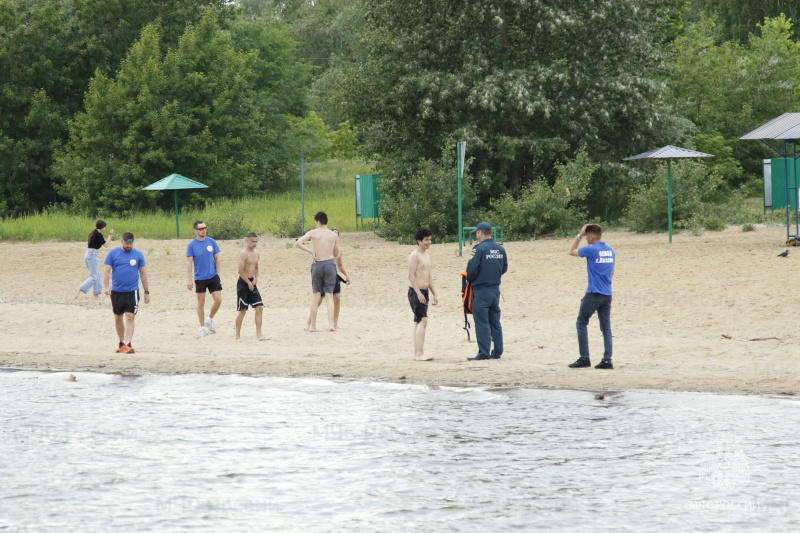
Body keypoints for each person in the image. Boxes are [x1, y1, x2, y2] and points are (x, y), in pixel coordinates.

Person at [568, 223, 615, 369]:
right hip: (607, 293)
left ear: (591, 236)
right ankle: (607, 360)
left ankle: (584, 358)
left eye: (587, 236)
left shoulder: (591, 249)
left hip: (593, 293)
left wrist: (580, 235)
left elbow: (571, 251)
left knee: (581, 323)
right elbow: (612, 272)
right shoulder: (611, 250)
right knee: (606, 327)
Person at [465, 222, 508, 361]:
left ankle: (484, 352)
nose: (476, 236)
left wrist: (470, 279)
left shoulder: (479, 249)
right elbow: (504, 268)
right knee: (495, 321)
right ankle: (497, 351)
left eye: (476, 233)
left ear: (480, 232)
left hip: (481, 289)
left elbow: (471, 270)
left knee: (482, 321)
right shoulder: (500, 248)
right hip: (495, 289)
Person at [103, 231, 150, 354]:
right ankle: (122, 342)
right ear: (122, 241)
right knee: (118, 317)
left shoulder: (138, 254)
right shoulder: (113, 254)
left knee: (130, 316)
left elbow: (143, 273)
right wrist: (106, 287)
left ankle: (128, 344)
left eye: (131, 243)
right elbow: (106, 271)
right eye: (127, 243)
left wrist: (146, 291)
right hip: (117, 291)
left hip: (132, 290)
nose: (129, 246)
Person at [295, 211, 341, 332]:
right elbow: (336, 254)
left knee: (316, 296)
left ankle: (313, 326)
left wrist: (311, 252)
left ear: (318, 222)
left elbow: (298, 243)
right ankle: (331, 325)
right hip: (329, 264)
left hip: (317, 264)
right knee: (329, 295)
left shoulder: (313, 233)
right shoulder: (333, 234)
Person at [306, 229, 351, 331]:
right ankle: (309, 323)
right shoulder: (325, 247)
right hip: (324, 272)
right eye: (333, 233)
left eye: (337, 234)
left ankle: (334, 324)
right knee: (319, 299)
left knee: (337, 298)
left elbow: (340, 265)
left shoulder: (340, 250)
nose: (335, 235)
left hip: (333, 274)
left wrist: (346, 275)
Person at [186, 220, 222, 337]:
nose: (204, 230)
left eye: (205, 228)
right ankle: (201, 327)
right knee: (201, 302)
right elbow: (189, 263)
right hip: (200, 278)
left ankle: (209, 319)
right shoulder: (191, 245)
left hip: (212, 276)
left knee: (218, 299)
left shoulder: (211, 242)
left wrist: (218, 274)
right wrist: (189, 280)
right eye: (201, 229)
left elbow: (217, 258)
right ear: (195, 230)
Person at [408, 227, 438, 361]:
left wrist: (434, 294)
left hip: (425, 291)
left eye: (430, 239)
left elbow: (429, 277)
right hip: (416, 292)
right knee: (423, 320)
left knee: (418, 322)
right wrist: (418, 293)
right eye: (426, 240)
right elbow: (411, 276)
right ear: (419, 241)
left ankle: (417, 354)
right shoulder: (415, 255)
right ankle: (420, 354)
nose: (429, 242)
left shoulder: (427, 256)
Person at [235, 232, 264, 341]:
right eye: (252, 241)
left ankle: (259, 334)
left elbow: (256, 268)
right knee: (242, 310)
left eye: (256, 241)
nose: (254, 243)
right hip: (243, 282)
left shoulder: (257, 253)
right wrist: (248, 282)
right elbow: (240, 270)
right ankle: (237, 336)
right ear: (246, 240)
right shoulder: (243, 253)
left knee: (259, 307)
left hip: (253, 281)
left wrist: (256, 277)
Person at [76, 220, 114, 299]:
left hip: (89, 253)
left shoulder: (93, 233)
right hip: (92, 254)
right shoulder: (98, 234)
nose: (105, 228)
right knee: (94, 276)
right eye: (105, 227)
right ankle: (80, 288)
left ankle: (96, 293)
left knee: (97, 274)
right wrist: (110, 236)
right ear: (102, 227)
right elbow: (106, 245)